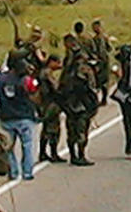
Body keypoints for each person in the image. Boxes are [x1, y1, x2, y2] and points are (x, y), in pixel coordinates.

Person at [60, 35, 100, 166]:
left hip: (70, 104)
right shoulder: (84, 70)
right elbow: (91, 88)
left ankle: (74, 155)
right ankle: (80, 155)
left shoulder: (67, 70)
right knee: (81, 131)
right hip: (81, 105)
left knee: (72, 131)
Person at [0, 59, 37, 180]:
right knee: (27, 145)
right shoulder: (26, 80)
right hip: (24, 116)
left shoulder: (1, 79)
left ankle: (13, 172)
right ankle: (27, 172)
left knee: (8, 147)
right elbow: (34, 93)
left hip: (7, 116)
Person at [36, 54, 65, 163]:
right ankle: (52, 153)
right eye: (57, 62)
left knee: (47, 129)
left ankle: (44, 152)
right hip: (49, 104)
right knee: (52, 129)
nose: (59, 65)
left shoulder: (44, 72)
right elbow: (55, 88)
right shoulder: (47, 73)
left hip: (46, 103)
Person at [91, 20, 113, 105]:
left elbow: (109, 48)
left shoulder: (104, 38)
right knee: (97, 81)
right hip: (97, 61)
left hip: (104, 61)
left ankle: (104, 99)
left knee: (104, 81)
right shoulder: (94, 39)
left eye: (97, 27)